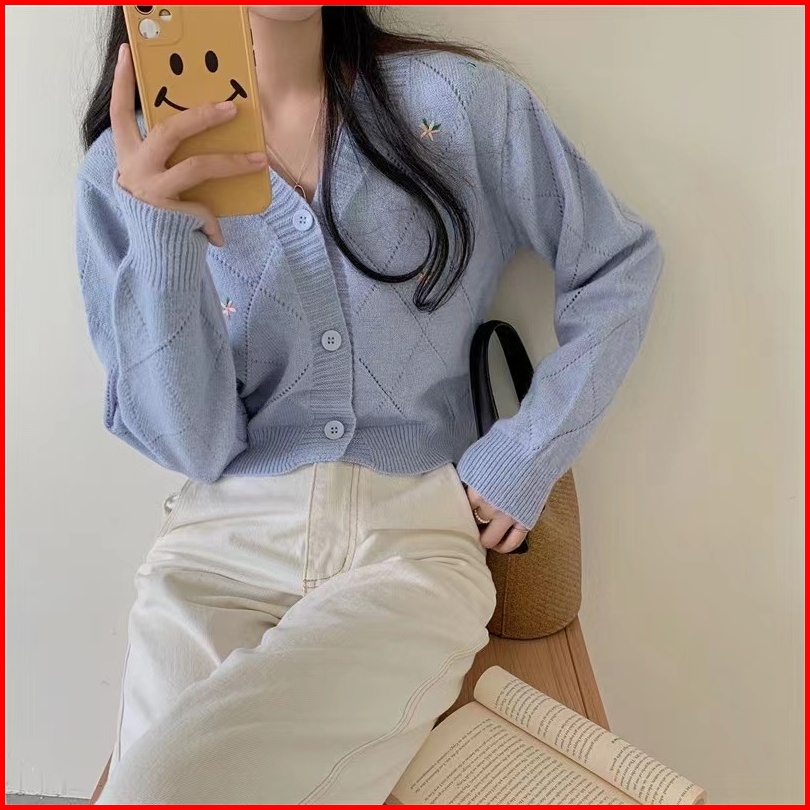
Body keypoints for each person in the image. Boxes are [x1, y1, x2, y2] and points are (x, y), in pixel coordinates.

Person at [76, 5, 663, 804]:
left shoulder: (458, 104)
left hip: (410, 548)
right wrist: (158, 235)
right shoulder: (123, 169)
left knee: (159, 787)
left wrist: (526, 453)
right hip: (217, 554)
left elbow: (619, 266)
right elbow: (193, 445)